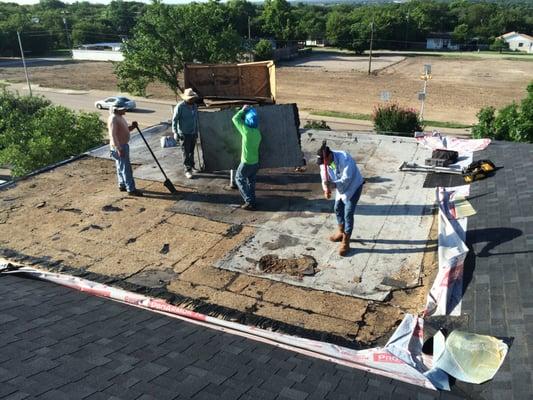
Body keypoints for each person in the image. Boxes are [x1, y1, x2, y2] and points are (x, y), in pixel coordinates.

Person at [317, 141, 364, 256]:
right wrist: (325, 189)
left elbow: (346, 179)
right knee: (337, 208)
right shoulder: (324, 163)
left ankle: (346, 241)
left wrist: (332, 185)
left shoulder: (345, 158)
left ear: (329, 156)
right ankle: (341, 231)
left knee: (348, 213)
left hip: (353, 186)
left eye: (325, 162)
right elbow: (324, 177)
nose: (324, 165)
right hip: (339, 187)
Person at [232, 105, 262, 211]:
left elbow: (235, 119)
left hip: (246, 162)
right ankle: (252, 201)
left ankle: (248, 201)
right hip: (255, 162)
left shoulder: (246, 131)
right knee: (251, 181)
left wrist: (242, 110)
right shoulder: (257, 133)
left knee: (239, 178)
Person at [108, 105, 143, 197]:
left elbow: (124, 130)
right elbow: (113, 135)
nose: (125, 109)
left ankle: (122, 184)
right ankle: (131, 189)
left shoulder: (119, 117)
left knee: (120, 166)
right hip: (120, 146)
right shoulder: (114, 119)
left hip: (121, 145)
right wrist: (119, 148)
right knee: (126, 168)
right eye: (123, 108)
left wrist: (133, 126)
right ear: (117, 110)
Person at [172, 88, 199, 179]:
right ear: (186, 98)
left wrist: (196, 130)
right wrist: (175, 132)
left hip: (193, 132)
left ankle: (192, 166)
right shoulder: (180, 107)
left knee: (191, 151)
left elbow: (195, 119)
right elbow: (174, 120)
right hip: (184, 133)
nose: (192, 100)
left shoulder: (195, 106)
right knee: (185, 152)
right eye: (190, 98)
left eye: (193, 98)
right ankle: (187, 170)